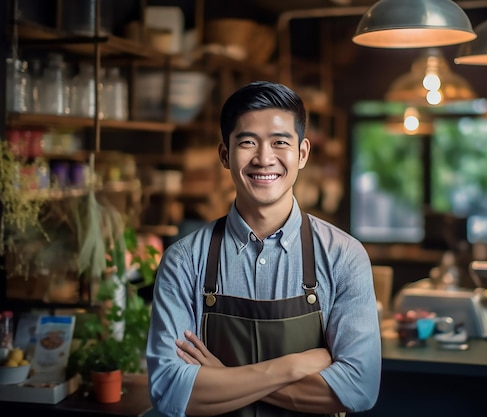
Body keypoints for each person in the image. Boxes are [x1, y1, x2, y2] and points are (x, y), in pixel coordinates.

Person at [146, 81, 381, 417]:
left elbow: (359, 388)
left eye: (280, 142)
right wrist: (295, 365)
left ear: (302, 154)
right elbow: (170, 391)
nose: (264, 158)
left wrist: (220, 379)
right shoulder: (184, 261)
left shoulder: (344, 257)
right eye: (247, 143)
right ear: (225, 155)